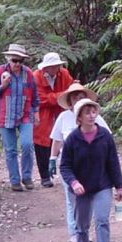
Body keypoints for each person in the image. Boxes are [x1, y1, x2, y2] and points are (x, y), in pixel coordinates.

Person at [60, 98, 122, 242]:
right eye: (87, 112)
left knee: (102, 221)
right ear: (79, 117)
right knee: (81, 227)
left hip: (102, 185)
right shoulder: (73, 139)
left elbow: (113, 162)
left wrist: (119, 186)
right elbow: (65, 166)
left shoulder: (105, 136)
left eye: (93, 112)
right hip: (81, 190)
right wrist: (74, 183)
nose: (91, 115)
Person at [50, 83, 111, 242]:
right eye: (74, 96)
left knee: (90, 201)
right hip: (69, 166)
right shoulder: (63, 118)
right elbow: (57, 140)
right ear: (70, 100)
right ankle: (76, 234)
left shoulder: (95, 117)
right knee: (72, 202)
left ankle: (84, 230)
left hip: (93, 167)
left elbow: (108, 140)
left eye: (80, 96)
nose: (78, 99)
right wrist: (52, 158)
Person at [0, 43, 40, 192]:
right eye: (14, 60)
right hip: (6, 115)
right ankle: (15, 181)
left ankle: (27, 176)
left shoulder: (28, 73)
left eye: (20, 61)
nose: (17, 64)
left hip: (25, 114)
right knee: (10, 150)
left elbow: (35, 94)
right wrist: (2, 86)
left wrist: (36, 112)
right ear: (8, 59)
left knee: (27, 145)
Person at [33, 52, 74, 188]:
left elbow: (72, 90)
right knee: (41, 144)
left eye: (58, 65)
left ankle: (68, 174)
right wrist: (61, 96)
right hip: (43, 114)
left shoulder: (64, 74)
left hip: (61, 111)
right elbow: (40, 99)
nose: (57, 68)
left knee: (64, 141)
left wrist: (56, 97)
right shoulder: (36, 77)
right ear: (46, 67)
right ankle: (45, 176)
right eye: (54, 66)